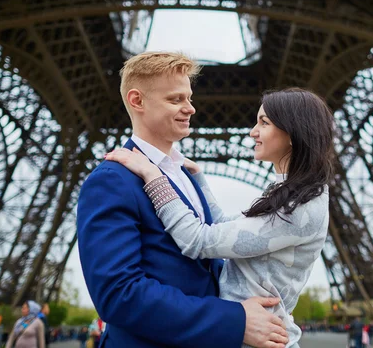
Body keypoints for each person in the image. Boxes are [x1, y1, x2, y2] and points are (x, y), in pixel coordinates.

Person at [77, 52, 288, 348]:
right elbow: (118, 293)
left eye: (189, 98)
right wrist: (235, 320)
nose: (190, 108)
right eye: (175, 99)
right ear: (137, 101)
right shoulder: (112, 180)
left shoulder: (188, 175)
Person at [106, 87, 334, 348]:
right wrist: (199, 182)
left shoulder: (300, 209)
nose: (252, 131)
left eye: (264, 122)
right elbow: (227, 229)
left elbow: (199, 240)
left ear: (292, 133)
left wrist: (154, 178)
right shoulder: (292, 193)